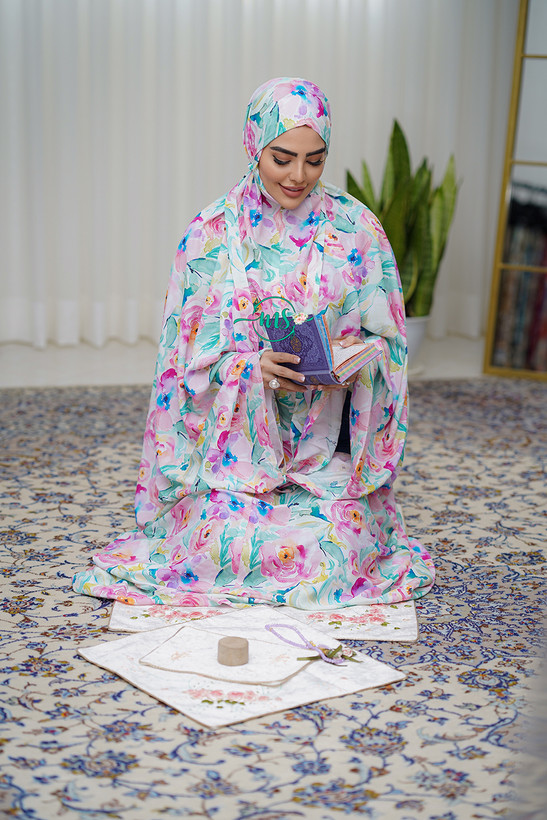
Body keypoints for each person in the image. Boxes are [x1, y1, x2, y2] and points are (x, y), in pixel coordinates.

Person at [73, 77, 435, 609]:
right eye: (282, 158)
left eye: (315, 160)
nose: (298, 175)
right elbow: (182, 365)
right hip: (232, 457)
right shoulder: (210, 235)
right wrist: (248, 369)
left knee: (331, 551)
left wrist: (354, 359)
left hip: (323, 459)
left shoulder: (358, 229)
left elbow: (390, 348)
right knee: (227, 542)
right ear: (253, 145)